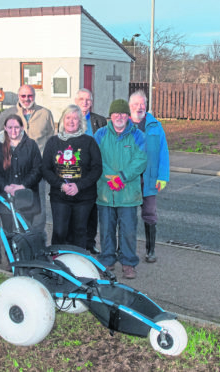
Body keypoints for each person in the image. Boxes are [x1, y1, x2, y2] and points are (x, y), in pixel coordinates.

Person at [94, 99, 147, 279]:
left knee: (128, 230)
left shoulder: (138, 135)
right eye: (116, 114)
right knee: (106, 229)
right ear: (111, 116)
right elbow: (96, 159)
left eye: (123, 114)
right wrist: (111, 177)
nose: (119, 117)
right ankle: (107, 260)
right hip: (105, 192)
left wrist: (122, 177)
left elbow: (140, 160)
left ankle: (128, 263)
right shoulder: (100, 134)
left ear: (128, 116)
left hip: (128, 193)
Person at [0, 85, 55, 238]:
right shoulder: (7, 114)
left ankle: (36, 238)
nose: (27, 99)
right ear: (18, 96)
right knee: (13, 206)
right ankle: (16, 240)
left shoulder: (45, 114)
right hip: (12, 170)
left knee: (38, 206)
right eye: (23, 96)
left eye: (30, 96)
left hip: (37, 170)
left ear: (34, 96)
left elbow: (50, 141)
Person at [43, 105, 102, 249]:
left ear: (80, 121)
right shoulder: (53, 142)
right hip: (60, 195)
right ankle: (58, 261)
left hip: (84, 197)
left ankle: (78, 263)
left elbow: (97, 169)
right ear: (63, 120)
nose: (71, 121)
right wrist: (61, 185)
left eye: (75, 118)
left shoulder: (89, 142)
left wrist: (78, 186)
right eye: (68, 117)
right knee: (60, 231)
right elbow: (45, 169)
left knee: (80, 231)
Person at [129, 90, 170, 263]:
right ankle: (125, 249)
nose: (139, 107)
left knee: (149, 213)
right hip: (129, 178)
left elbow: (163, 152)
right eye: (136, 104)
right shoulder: (124, 124)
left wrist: (163, 176)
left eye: (142, 104)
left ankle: (150, 250)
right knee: (127, 215)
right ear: (130, 105)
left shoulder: (155, 125)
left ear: (146, 105)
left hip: (150, 178)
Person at [0, 114, 42, 233]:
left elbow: (37, 169)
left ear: (22, 127)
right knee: (8, 233)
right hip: (4, 197)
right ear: (5, 128)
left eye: (17, 127)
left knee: (24, 232)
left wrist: (22, 186)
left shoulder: (31, 145)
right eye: (10, 127)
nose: (13, 130)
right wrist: (5, 186)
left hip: (26, 197)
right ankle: (10, 252)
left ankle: (24, 253)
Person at [69, 88, 108, 254]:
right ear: (76, 101)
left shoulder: (99, 121)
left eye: (88, 100)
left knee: (92, 210)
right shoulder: (70, 119)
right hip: (75, 172)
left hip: (94, 172)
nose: (85, 103)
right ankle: (75, 244)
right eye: (82, 99)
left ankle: (90, 242)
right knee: (75, 210)